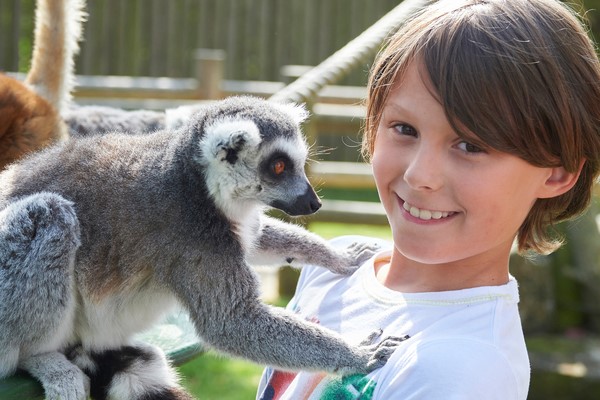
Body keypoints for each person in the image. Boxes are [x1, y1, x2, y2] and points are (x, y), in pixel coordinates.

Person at [256, 0, 600, 398]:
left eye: (471, 146)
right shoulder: (334, 267)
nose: (420, 175)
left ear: (557, 172)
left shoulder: (460, 370)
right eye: (404, 128)